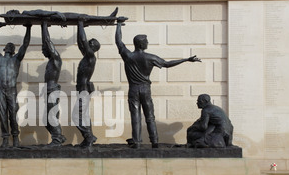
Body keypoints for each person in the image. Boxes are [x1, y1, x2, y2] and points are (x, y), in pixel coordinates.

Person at [115, 20, 201, 148]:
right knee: (150, 116)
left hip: (133, 89)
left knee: (135, 117)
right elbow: (167, 64)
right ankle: (154, 141)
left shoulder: (128, 56)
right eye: (146, 41)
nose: (148, 43)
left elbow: (119, 41)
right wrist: (186, 60)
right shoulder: (150, 58)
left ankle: (137, 142)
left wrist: (118, 25)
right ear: (142, 44)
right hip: (145, 89)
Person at [0, 22, 31, 147]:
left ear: (13, 51)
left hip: (11, 91)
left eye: (13, 46)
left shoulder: (16, 59)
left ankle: (16, 138)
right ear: (5, 49)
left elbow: (25, 44)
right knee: (2, 115)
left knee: (12, 115)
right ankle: (5, 138)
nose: (11, 46)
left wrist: (28, 27)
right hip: (0, 90)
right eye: (8, 45)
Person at [73, 19, 101, 147]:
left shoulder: (91, 57)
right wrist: (80, 27)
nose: (88, 43)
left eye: (91, 43)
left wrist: (80, 23)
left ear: (93, 48)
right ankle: (88, 137)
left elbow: (83, 41)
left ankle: (89, 136)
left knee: (76, 116)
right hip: (82, 88)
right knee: (83, 114)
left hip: (84, 88)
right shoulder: (86, 56)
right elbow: (80, 42)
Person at [41, 21, 66, 146]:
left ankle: (56, 138)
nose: (42, 51)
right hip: (48, 90)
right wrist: (42, 26)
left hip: (52, 90)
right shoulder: (51, 60)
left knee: (52, 115)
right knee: (45, 119)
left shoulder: (55, 58)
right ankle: (59, 136)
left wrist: (44, 25)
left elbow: (47, 41)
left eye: (43, 49)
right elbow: (45, 42)